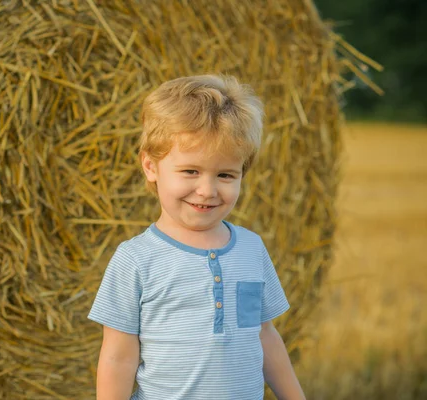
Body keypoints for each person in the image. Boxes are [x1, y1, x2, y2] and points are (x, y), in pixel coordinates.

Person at [88, 74, 306, 400]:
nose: (207, 190)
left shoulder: (250, 249)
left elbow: (263, 335)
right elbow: (118, 356)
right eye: (191, 171)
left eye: (225, 175)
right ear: (151, 166)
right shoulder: (135, 259)